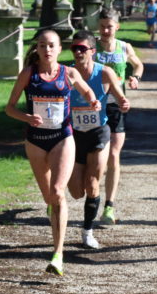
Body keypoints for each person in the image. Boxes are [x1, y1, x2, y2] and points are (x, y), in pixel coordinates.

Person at [5, 28, 101, 276]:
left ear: (59, 49)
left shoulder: (68, 73)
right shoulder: (29, 74)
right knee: (49, 197)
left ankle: (58, 255)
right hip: (36, 142)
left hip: (62, 138)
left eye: (51, 45)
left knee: (58, 192)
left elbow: (87, 91)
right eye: (42, 45)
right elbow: (10, 108)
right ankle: (54, 212)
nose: (47, 49)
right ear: (37, 49)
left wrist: (93, 101)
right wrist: (27, 117)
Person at [67, 30, 130, 249]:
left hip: (98, 131)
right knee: (76, 192)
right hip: (74, 135)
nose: (77, 52)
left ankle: (87, 232)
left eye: (82, 48)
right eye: (74, 48)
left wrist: (124, 103)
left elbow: (120, 98)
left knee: (93, 183)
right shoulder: (67, 73)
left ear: (92, 51)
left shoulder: (104, 73)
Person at [94, 9, 144, 225]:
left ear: (117, 27)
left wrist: (135, 77)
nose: (106, 31)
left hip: (116, 106)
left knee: (114, 155)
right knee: (95, 158)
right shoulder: (91, 46)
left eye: (110, 26)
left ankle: (109, 206)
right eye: (102, 26)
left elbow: (138, 64)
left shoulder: (124, 47)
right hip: (92, 107)